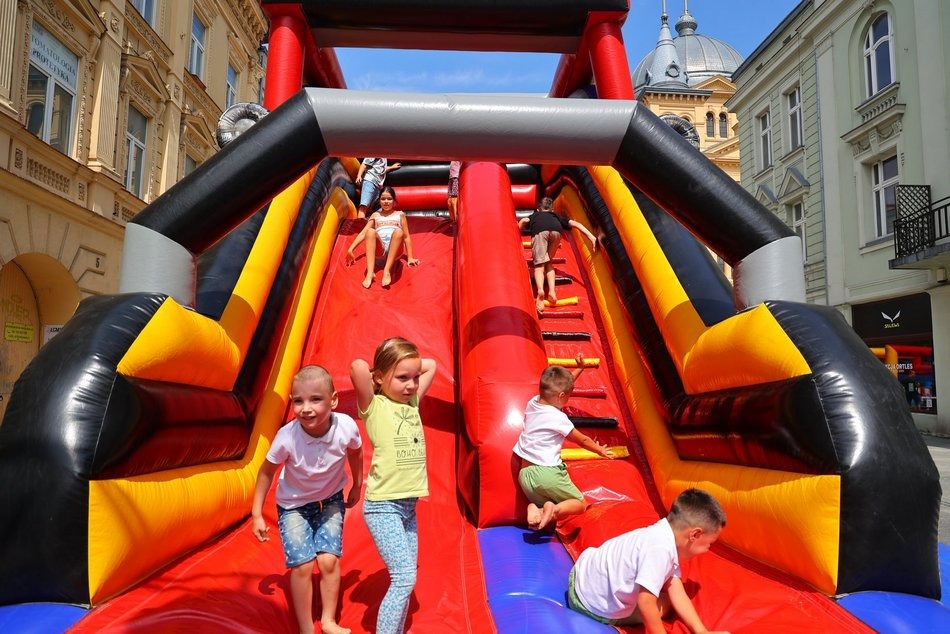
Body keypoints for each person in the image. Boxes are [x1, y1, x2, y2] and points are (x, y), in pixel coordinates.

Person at [251, 365, 364, 634]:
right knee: (302, 565)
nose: (306, 408)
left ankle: (328, 620)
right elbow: (266, 471)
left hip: (331, 499)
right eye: (298, 401)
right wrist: (257, 514)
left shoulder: (345, 426)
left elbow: (356, 452)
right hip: (294, 506)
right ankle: (306, 628)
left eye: (316, 399)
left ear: (333, 400)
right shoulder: (287, 437)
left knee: (328, 561)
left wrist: (358, 484)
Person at [350, 337, 437, 634]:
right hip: (383, 506)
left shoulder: (411, 403)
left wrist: (407, 364)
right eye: (402, 378)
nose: (412, 385)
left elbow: (432, 365)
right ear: (379, 377)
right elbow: (357, 367)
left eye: (414, 378)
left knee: (407, 576)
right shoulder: (373, 406)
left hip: (407, 507)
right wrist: (383, 369)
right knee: (404, 579)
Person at [567, 488, 730, 634]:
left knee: (667, 594)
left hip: (580, 575)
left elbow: (676, 589)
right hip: (591, 605)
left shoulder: (661, 534)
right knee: (664, 605)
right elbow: (645, 602)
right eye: (709, 543)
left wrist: (701, 631)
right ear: (694, 535)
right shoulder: (660, 550)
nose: (708, 549)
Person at [513, 352, 613, 531]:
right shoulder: (558, 418)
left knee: (547, 504)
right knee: (579, 504)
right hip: (546, 474)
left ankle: (536, 508)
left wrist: (579, 369)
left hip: (525, 476)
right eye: (568, 395)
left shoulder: (532, 403)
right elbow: (581, 439)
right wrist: (600, 450)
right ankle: (552, 510)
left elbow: (561, 388)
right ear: (561, 396)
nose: (568, 398)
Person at [519, 197, 599, 314]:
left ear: (538, 209)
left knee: (539, 265)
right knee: (548, 262)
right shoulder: (555, 216)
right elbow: (575, 223)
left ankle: (540, 291)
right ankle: (552, 291)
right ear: (552, 209)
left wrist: (517, 232)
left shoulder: (535, 216)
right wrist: (591, 237)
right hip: (557, 231)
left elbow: (523, 221)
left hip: (541, 232)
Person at [344, 186, 421, 289]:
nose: (386, 201)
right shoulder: (376, 215)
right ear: (379, 201)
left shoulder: (400, 215)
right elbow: (363, 233)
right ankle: (370, 273)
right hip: (380, 250)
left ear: (394, 201)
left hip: (395, 251)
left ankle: (387, 270)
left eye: (389, 199)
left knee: (398, 232)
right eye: (383, 199)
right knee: (370, 231)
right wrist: (350, 249)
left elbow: (406, 236)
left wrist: (410, 257)